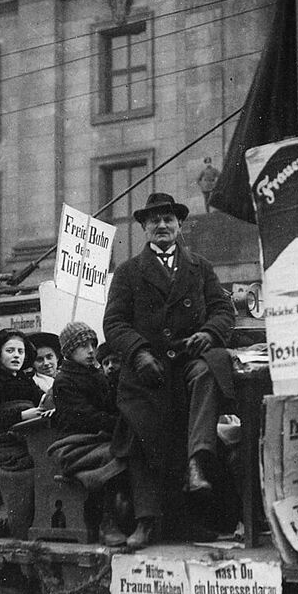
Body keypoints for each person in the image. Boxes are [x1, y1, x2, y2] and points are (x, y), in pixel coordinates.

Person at [104, 192, 236, 548]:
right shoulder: (128, 272)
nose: (162, 225)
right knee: (143, 434)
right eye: (154, 220)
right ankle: (147, 522)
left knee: (208, 372)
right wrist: (138, 352)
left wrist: (209, 333)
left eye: (168, 220)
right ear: (144, 228)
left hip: (186, 362)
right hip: (147, 371)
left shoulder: (200, 267)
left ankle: (197, 464)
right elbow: (114, 322)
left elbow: (223, 310)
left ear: (180, 225)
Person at [48, 321, 129, 546]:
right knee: (113, 455)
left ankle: (126, 519)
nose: (91, 350)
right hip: (73, 445)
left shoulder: (98, 375)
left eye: (93, 344)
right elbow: (84, 416)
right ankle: (106, 523)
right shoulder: (63, 381)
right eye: (83, 346)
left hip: (98, 439)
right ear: (69, 351)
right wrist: (119, 424)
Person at [0, 328, 47, 538]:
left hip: (27, 439)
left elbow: (43, 402)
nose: (16, 356)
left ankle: (47, 521)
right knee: (29, 465)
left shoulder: (27, 383)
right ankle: (22, 528)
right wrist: (22, 415)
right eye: (10, 350)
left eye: (20, 352)